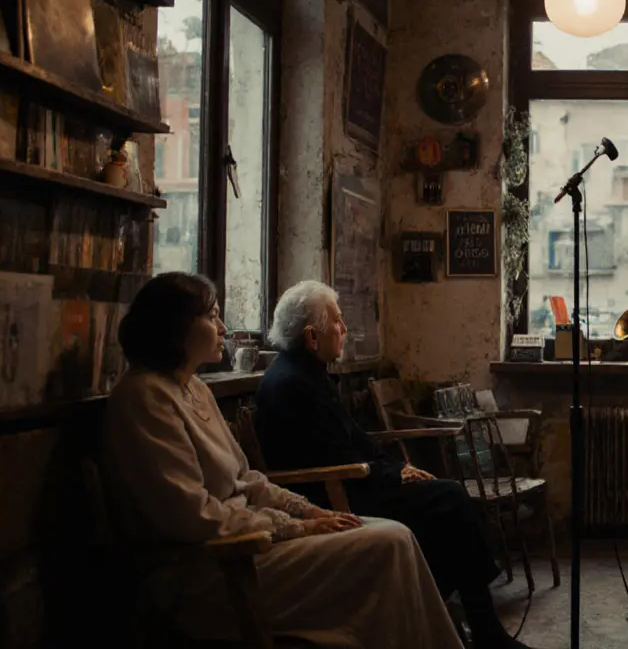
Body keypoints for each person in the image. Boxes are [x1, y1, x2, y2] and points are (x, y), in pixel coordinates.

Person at [101, 272, 462, 648]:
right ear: (175, 325)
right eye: (211, 316)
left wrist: (307, 512)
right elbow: (192, 517)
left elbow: (247, 477)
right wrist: (292, 528)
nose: (223, 327)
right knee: (387, 544)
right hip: (214, 568)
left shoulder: (195, 388)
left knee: (397, 536)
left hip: (252, 540)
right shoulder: (145, 398)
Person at [253, 280, 532, 649]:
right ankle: (479, 627)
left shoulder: (308, 374)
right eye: (337, 322)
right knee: (450, 500)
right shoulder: (293, 385)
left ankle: (459, 618)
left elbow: (356, 441)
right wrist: (390, 473)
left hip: (352, 481)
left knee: (446, 501)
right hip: (330, 498)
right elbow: (333, 459)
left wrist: (396, 467)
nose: (344, 329)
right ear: (311, 337)